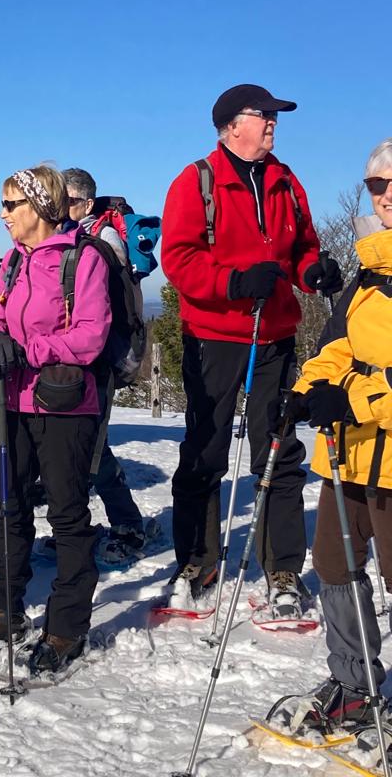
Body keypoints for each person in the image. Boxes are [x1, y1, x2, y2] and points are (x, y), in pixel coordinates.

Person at [161, 84, 341, 619]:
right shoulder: (196, 181)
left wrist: (313, 271)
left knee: (278, 451)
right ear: (232, 124)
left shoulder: (286, 180)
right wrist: (235, 282)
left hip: (274, 336)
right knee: (205, 450)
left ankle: (282, 569)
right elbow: (179, 258)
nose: (273, 124)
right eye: (265, 115)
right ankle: (196, 562)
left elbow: (302, 247)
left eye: (274, 117)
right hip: (214, 336)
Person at [0, 165, 112, 675]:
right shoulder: (14, 260)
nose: (2, 214)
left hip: (65, 407)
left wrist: (26, 350)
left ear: (40, 206)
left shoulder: (83, 259)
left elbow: (91, 336)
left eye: (10, 204)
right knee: (9, 508)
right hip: (12, 402)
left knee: (67, 515)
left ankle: (67, 625)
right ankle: (2, 610)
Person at [277, 138, 392, 728]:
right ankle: (355, 682)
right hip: (347, 454)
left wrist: (352, 399)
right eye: (376, 184)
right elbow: (337, 346)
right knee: (333, 564)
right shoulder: (369, 273)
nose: (386, 195)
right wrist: (306, 388)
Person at [61, 167, 154, 567]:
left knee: (93, 446)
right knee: (76, 442)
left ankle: (128, 525)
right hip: (77, 355)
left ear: (84, 203)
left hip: (99, 356)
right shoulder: (73, 234)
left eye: (66, 200)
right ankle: (77, 527)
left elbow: (108, 300)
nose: (58, 206)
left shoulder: (105, 238)